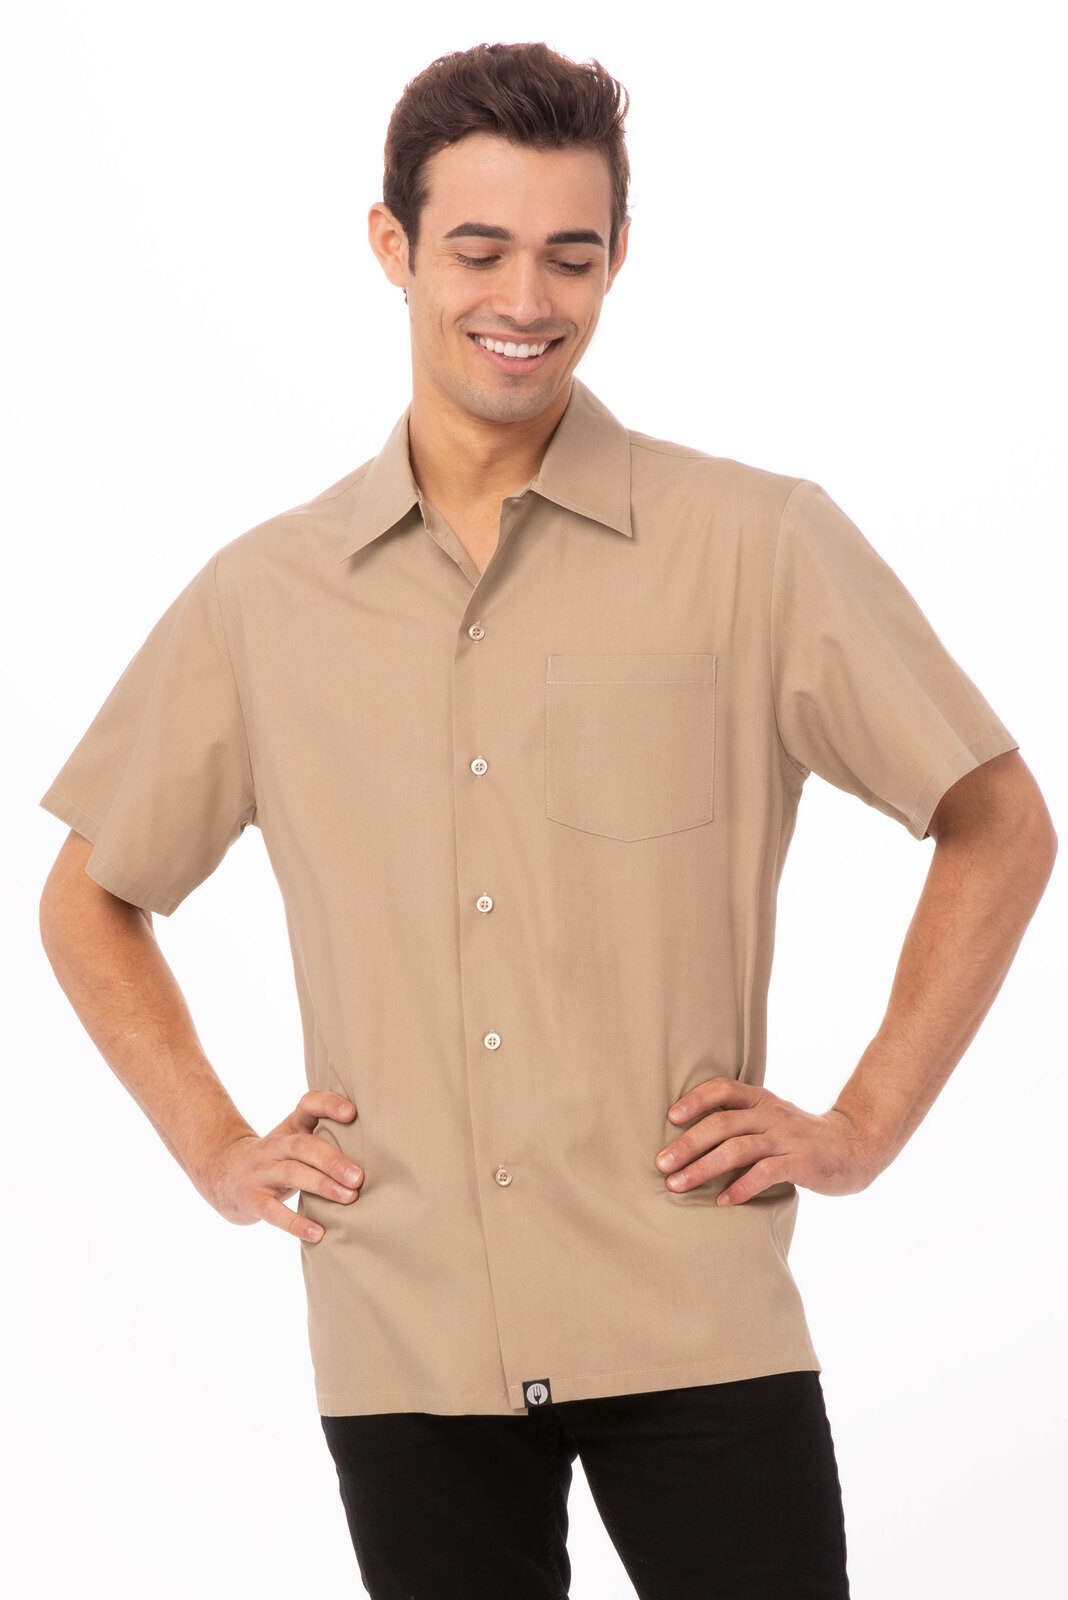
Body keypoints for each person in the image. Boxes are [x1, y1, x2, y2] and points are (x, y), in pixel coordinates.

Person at [37, 39, 1056, 1600]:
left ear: (619, 257)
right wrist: (214, 1145)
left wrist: (861, 1126)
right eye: (480, 249)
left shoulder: (756, 544)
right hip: (405, 1328)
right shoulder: (265, 598)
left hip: (691, 1308)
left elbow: (997, 817)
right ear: (392, 246)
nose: (526, 297)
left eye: (571, 255)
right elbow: (89, 893)